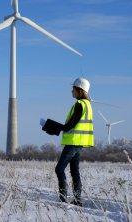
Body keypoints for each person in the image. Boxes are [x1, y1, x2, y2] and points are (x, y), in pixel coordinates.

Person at [42, 77, 94, 206]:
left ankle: (63, 200)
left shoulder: (79, 105)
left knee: (59, 169)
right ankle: (77, 200)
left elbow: (69, 125)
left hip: (73, 142)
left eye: (73, 89)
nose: (71, 92)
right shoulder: (87, 105)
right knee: (74, 171)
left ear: (79, 90)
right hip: (79, 143)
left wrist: (50, 126)